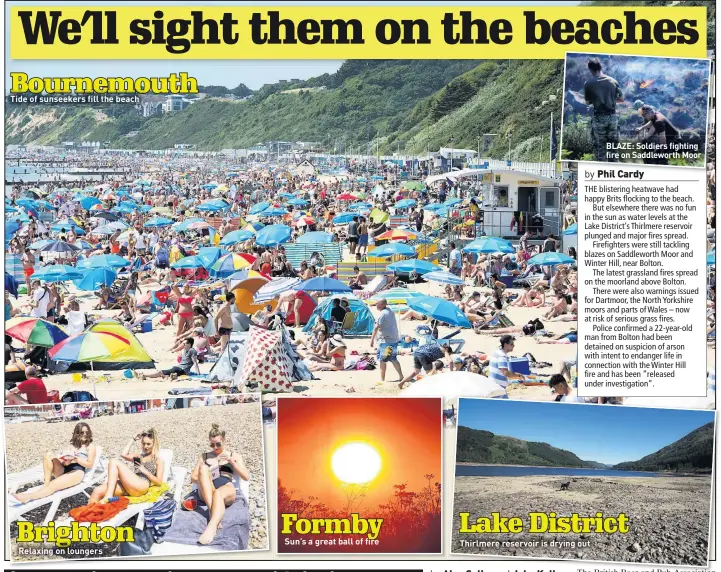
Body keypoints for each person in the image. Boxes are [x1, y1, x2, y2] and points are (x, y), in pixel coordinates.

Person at [10, 422, 97, 505]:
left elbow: (90, 464)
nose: (85, 434)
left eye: (87, 432)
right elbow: (65, 463)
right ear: (77, 433)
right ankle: (46, 484)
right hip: (65, 468)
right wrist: (66, 461)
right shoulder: (71, 446)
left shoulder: (90, 446)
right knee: (48, 455)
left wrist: (76, 459)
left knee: (53, 484)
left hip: (77, 471)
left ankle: (28, 497)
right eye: (82, 432)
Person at [191, 423, 250, 545]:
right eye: (212, 444)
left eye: (218, 444)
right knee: (202, 468)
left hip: (226, 487)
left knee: (218, 493)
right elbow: (193, 477)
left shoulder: (233, 455)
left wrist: (232, 463)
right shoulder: (205, 456)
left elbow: (246, 476)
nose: (215, 447)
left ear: (224, 440)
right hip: (208, 489)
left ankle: (211, 526)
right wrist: (212, 467)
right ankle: (214, 514)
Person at [90, 429, 165, 503]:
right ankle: (88, 514)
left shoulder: (158, 460)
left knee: (114, 461)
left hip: (142, 485)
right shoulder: (138, 456)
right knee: (97, 491)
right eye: (143, 443)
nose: (145, 446)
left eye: (148, 444)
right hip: (130, 485)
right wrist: (133, 439)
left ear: (154, 444)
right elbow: (123, 454)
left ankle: (109, 495)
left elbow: (159, 482)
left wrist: (145, 471)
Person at [583, 57, 623, 162]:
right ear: (600, 67)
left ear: (590, 69)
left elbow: (587, 102)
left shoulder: (588, 83)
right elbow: (621, 99)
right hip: (613, 118)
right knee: (613, 148)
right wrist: (611, 100)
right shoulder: (613, 81)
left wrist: (597, 99)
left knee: (600, 148)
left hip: (599, 118)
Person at [370, 299, 403, 382]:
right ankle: (401, 376)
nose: (376, 305)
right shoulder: (390, 311)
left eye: (377, 303)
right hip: (393, 339)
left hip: (386, 340)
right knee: (393, 358)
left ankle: (382, 379)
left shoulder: (383, 314)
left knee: (382, 360)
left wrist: (372, 340)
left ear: (381, 304)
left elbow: (376, 327)